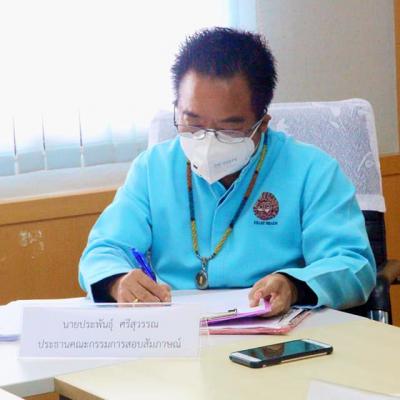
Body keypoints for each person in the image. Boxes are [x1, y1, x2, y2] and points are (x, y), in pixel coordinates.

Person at [79, 27, 376, 316]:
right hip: (177, 333)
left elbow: (353, 264)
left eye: (229, 128)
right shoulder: (151, 169)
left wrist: (293, 286)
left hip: (274, 333)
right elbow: (105, 250)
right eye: (193, 123)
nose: (207, 141)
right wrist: (118, 281)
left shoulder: (313, 171)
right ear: (177, 108)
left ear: (262, 123)